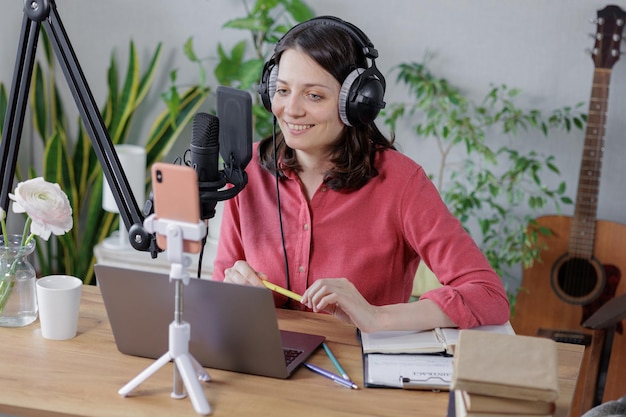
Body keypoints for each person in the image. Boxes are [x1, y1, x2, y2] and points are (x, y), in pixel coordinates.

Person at [213, 15, 510, 333]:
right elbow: (223, 283)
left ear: (356, 102)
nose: (292, 109)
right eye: (283, 91)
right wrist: (239, 291)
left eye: (314, 95)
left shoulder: (401, 182)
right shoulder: (247, 168)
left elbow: (488, 295)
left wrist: (378, 317)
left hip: (361, 368)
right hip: (269, 357)